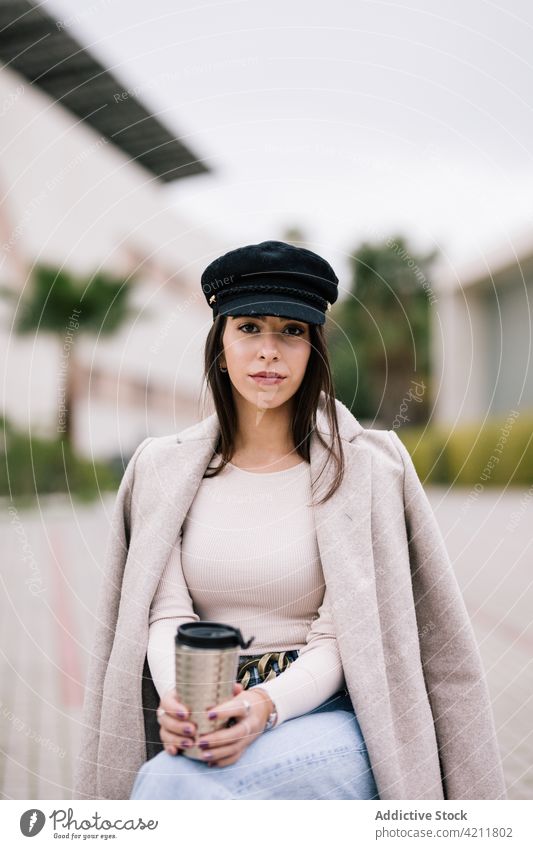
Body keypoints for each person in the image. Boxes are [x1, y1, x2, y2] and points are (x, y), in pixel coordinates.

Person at [73, 240, 506, 801]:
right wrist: (183, 701)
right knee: (172, 780)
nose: (269, 351)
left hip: (333, 712)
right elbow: (166, 612)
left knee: (175, 789)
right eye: (249, 328)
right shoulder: (161, 469)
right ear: (220, 345)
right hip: (210, 703)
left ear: (314, 348)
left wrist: (263, 705)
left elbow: (342, 633)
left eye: (291, 331)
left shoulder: (370, 468)